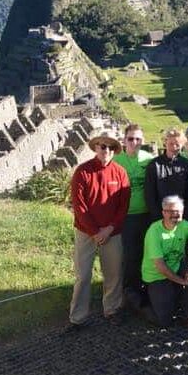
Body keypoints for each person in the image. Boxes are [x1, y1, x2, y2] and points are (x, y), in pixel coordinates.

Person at [68, 131, 131, 329]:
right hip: (86, 232)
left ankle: (111, 309)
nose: (106, 150)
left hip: (112, 232)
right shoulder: (83, 171)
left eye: (110, 147)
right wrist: (95, 231)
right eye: (102, 146)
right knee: (83, 275)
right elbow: (79, 206)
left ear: (115, 150)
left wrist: (109, 229)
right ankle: (78, 317)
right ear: (95, 147)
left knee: (113, 274)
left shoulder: (120, 172)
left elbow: (123, 205)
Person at [142, 195, 188, 329]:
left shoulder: (184, 225)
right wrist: (182, 282)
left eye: (178, 212)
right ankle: (140, 301)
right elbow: (160, 266)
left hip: (176, 268)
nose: (174, 215)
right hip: (156, 276)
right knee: (163, 321)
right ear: (163, 213)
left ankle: (187, 314)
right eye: (170, 211)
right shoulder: (154, 231)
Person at [113, 124, 156, 311]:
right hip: (127, 216)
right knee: (130, 255)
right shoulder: (116, 161)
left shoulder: (149, 160)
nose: (134, 142)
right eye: (130, 138)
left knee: (148, 253)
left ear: (143, 140)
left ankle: (147, 289)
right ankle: (129, 291)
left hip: (147, 214)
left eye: (138, 139)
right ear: (124, 140)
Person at [145, 127, 188, 222]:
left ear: (182, 145)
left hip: (182, 217)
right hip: (160, 218)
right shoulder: (154, 165)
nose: (174, 147)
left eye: (177, 144)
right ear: (165, 143)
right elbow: (149, 195)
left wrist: (184, 216)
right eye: (171, 143)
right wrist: (160, 218)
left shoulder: (187, 165)